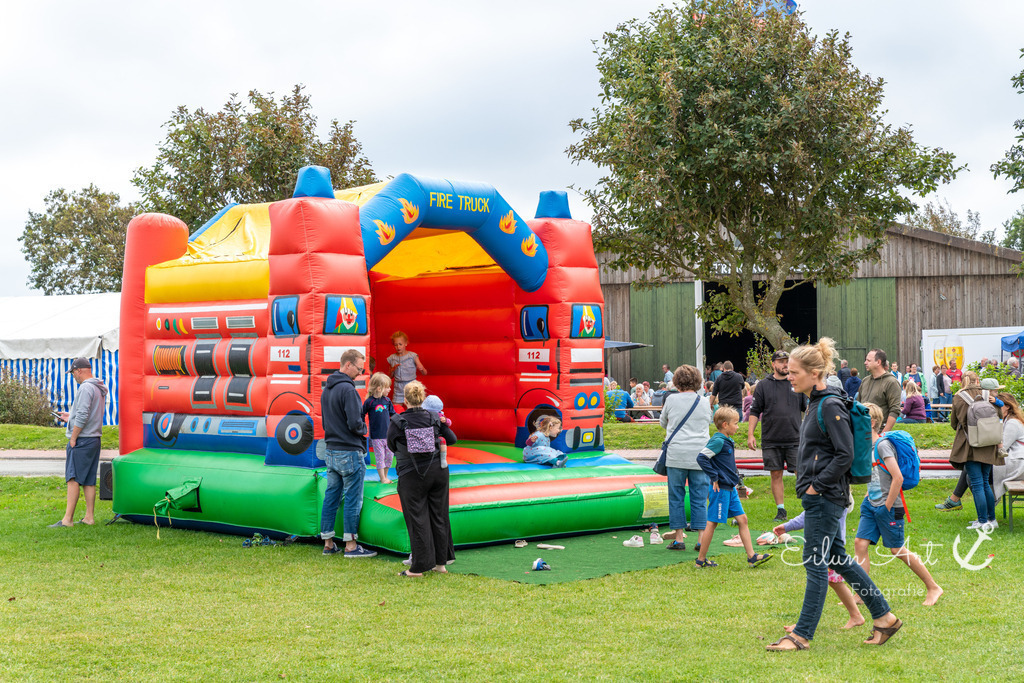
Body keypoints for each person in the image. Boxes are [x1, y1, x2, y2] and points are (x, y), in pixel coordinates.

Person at [766, 337, 901, 652]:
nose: (789, 377)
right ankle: (885, 618)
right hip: (822, 496)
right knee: (838, 559)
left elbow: (845, 453)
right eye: (788, 371)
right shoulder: (817, 400)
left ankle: (801, 635)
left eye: (795, 372)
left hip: (825, 498)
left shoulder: (829, 404)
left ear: (815, 374)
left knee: (814, 561)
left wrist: (816, 486)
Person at [853, 403, 944, 606]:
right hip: (870, 504)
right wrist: (869, 496)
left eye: (858, 420)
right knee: (860, 544)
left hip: (889, 506)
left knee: (897, 549)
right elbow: (876, 474)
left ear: (872, 423)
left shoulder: (882, 445)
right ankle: (861, 594)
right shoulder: (865, 446)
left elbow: (898, 478)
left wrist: (886, 506)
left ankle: (933, 587)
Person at [388, 381, 458, 577]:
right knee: (439, 515)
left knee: (417, 518)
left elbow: (391, 445)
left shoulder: (398, 421)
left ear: (405, 400)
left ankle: (418, 567)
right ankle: (440, 564)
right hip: (438, 471)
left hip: (412, 474)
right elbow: (452, 439)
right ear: (422, 397)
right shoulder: (435, 418)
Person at [694, 406, 772, 569]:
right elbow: (701, 458)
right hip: (720, 490)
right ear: (724, 425)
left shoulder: (727, 440)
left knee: (743, 519)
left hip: (730, 488)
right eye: (735, 423)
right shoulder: (718, 441)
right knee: (712, 523)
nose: (738, 426)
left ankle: (752, 557)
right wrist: (714, 476)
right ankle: (701, 560)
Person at [319, 349, 377, 558]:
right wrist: (364, 429)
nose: (360, 374)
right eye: (359, 369)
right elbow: (354, 422)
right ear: (348, 364)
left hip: (331, 450)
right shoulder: (349, 390)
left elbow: (325, 422)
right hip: (349, 451)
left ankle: (328, 542)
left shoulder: (327, 389)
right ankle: (351, 546)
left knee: (331, 496)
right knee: (353, 498)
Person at [774, 508, 864, 631]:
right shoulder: (840, 494)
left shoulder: (829, 494)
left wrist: (787, 526)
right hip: (829, 544)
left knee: (817, 581)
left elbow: (811, 513)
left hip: (825, 545)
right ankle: (856, 616)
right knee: (834, 581)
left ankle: (803, 624)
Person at [49, 357, 108, 528]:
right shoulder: (98, 388)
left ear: (79, 370)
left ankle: (67, 520)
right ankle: (89, 517)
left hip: (82, 440)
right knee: (89, 479)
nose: (73, 376)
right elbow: (87, 413)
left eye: (73, 372)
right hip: (94, 439)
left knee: (73, 478)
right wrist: (70, 417)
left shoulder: (85, 388)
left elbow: (82, 415)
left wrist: (73, 437)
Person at [748, 350, 806, 522]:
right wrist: (751, 434)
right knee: (775, 474)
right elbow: (754, 411)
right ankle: (781, 510)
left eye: (787, 361)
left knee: (801, 473)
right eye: (780, 361)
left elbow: (808, 409)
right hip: (771, 438)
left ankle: (809, 508)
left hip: (795, 437)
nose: (784, 364)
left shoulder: (797, 382)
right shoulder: (763, 385)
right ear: (773, 364)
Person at [660, 365, 714, 549]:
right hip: (700, 454)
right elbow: (708, 421)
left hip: (676, 454)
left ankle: (679, 538)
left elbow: (662, 422)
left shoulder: (671, 399)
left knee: (676, 496)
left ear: (676, 381)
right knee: (699, 497)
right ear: (698, 381)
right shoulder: (705, 401)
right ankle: (701, 539)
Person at [950, 371, 1000, 531]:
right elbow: (998, 414)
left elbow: (953, 423)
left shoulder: (959, 397)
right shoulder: (987, 394)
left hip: (970, 445)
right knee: (985, 482)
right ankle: (992, 519)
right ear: (977, 380)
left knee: (977, 484)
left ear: (962, 381)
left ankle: (982, 521)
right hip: (989, 442)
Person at [363, 372, 397, 484]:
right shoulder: (370, 402)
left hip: (388, 435)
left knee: (389, 456)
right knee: (380, 457)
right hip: (377, 436)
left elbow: (393, 414)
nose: (390, 389)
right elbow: (361, 414)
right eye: (387, 387)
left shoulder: (387, 401)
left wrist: (402, 421)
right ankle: (382, 478)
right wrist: (361, 426)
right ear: (379, 388)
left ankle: (385, 476)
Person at [858, 349, 901, 434]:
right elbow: (858, 405)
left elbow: (894, 411)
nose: (865, 363)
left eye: (868, 360)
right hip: (862, 432)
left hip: (878, 433)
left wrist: (882, 436)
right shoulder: (865, 381)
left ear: (878, 362)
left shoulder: (891, 382)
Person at [993, 392, 1024, 499]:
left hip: (1017, 464)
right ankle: (987, 508)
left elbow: (1002, 447)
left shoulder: (1012, 423)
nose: (995, 409)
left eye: (998, 406)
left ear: (1008, 407)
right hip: (1014, 461)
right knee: (973, 472)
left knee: (975, 474)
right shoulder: (1008, 420)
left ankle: (988, 509)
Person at [388, 331, 428, 406]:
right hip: (398, 387)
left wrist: (421, 369)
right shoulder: (392, 358)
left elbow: (425, 373)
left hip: (411, 385)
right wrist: (392, 370)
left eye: (400, 344)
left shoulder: (412, 356)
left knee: (416, 406)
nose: (398, 347)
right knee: (396, 408)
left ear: (406, 343)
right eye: (396, 345)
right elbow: (390, 376)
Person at [422, 394, 452, 469]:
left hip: (436, 436)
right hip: (425, 435)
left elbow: (449, 423)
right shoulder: (424, 414)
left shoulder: (440, 415)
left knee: (443, 440)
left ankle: (443, 459)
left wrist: (445, 420)